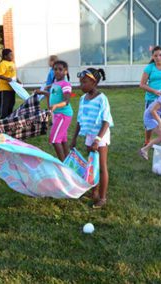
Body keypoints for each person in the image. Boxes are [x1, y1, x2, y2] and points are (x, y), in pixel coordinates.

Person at [70, 68, 113, 209]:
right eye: (80, 82)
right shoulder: (83, 99)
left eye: (84, 82)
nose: (81, 85)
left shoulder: (102, 98)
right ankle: (94, 191)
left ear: (94, 82)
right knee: (92, 166)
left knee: (101, 167)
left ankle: (102, 197)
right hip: (89, 135)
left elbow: (106, 121)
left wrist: (97, 140)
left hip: (100, 136)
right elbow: (79, 120)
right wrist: (74, 138)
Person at [35, 60, 73, 161]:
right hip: (57, 115)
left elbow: (67, 101)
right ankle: (69, 162)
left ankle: (63, 166)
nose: (57, 71)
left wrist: (56, 105)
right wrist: (42, 92)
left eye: (60, 69)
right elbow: (50, 95)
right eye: (55, 69)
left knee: (55, 140)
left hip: (63, 115)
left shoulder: (65, 84)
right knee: (63, 139)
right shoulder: (55, 83)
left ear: (65, 71)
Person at [0, 48, 21, 119]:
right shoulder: (3, 64)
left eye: (13, 55)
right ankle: (3, 117)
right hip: (4, 88)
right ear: (5, 56)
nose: (12, 56)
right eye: (10, 55)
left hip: (12, 88)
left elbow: (13, 75)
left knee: (12, 102)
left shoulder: (12, 63)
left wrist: (18, 80)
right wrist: (7, 79)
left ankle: (9, 116)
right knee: (5, 104)